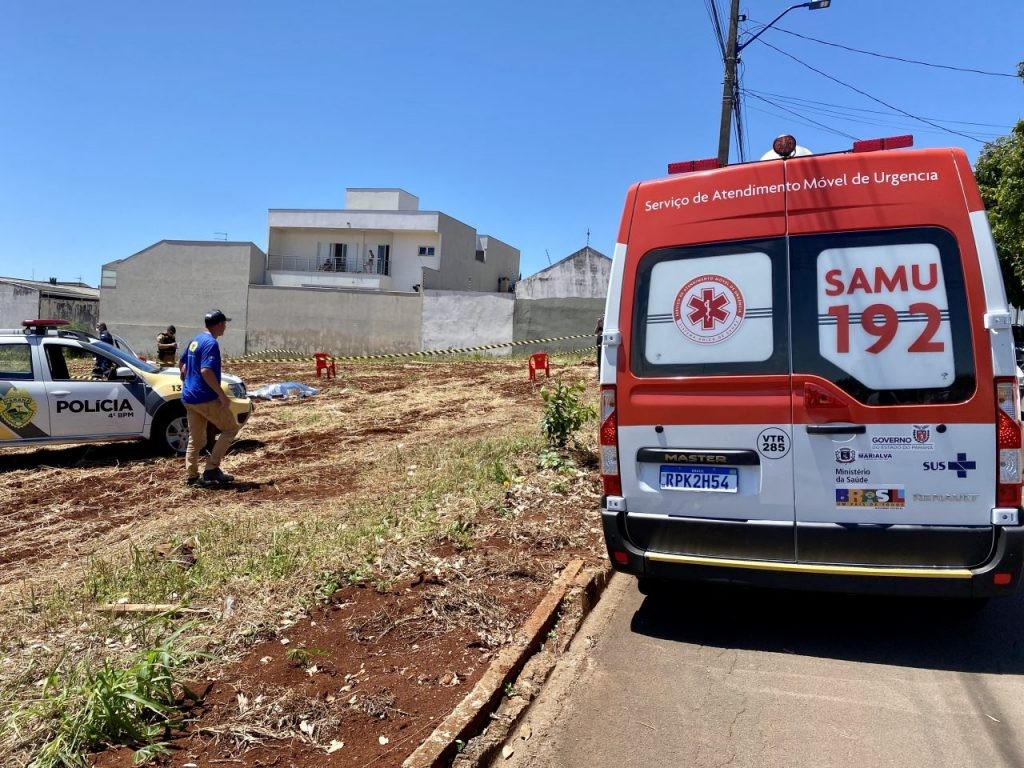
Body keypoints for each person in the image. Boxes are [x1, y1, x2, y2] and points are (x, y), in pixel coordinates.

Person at [180, 310, 242, 486]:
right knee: (230, 428)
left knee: (196, 439)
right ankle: (211, 469)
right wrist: (222, 396)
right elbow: (206, 371)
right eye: (224, 323)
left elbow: (182, 363)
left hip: (189, 397)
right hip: (204, 397)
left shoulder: (196, 340)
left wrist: (184, 378)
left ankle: (192, 477)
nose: (225, 327)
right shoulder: (211, 343)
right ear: (219, 324)